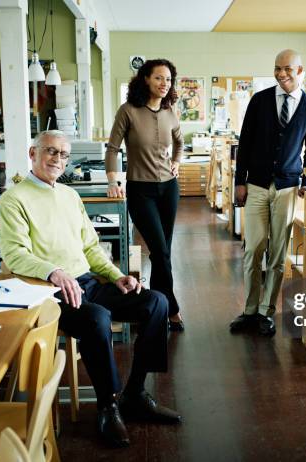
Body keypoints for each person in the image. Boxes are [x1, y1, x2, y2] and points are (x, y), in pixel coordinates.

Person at [0, 130, 181, 448]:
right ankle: (108, 404)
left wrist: (115, 276)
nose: (57, 159)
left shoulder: (69, 196)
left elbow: (91, 247)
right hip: (49, 291)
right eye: (51, 152)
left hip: (86, 282)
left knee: (156, 302)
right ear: (32, 153)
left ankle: (134, 393)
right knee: (97, 318)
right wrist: (53, 272)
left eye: (64, 154)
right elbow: (15, 254)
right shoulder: (14, 198)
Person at [229, 49, 306, 336]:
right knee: (254, 248)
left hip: (288, 187)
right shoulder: (259, 101)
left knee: (278, 253)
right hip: (256, 184)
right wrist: (239, 181)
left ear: (300, 70)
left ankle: (267, 312)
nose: (281, 74)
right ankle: (249, 310)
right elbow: (244, 143)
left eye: (287, 69)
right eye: (277, 68)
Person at [105, 58, 185, 332]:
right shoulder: (127, 111)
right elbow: (113, 148)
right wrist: (113, 181)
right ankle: (170, 308)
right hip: (141, 190)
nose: (165, 84)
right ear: (146, 80)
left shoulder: (169, 111)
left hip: (169, 189)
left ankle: (156, 306)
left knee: (163, 252)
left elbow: (180, 141)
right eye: (159, 78)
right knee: (160, 251)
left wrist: (177, 160)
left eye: (169, 80)